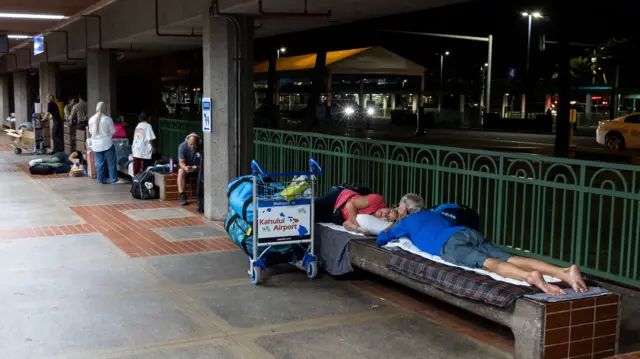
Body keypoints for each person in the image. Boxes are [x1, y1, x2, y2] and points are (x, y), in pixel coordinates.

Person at [377, 193, 588, 296]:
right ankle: (563, 272)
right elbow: (452, 206)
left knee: (490, 264)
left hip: (449, 244)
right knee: (511, 257)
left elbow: (380, 240)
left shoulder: (405, 222)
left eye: (400, 205)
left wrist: (392, 225)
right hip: (466, 232)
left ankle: (529, 277)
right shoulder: (434, 212)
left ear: (404, 208)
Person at [313, 187, 396, 231]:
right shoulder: (377, 200)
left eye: (387, 218)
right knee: (310, 207)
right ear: (390, 207)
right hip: (340, 198)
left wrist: (358, 229)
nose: (385, 214)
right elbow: (350, 204)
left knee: (311, 218)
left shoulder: (373, 223)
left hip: (337, 215)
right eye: (389, 212)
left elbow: (346, 224)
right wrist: (357, 224)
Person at [88, 102, 125, 184]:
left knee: (99, 162)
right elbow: (113, 131)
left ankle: (100, 179)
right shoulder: (107, 119)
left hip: (96, 145)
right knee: (111, 162)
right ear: (105, 109)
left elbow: (90, 131)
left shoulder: (91, 119)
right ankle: (113, 180)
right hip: (107, 144)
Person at [177, 132, 202, 205]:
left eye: (194, 145)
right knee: (181, 171)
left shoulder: (202, 146)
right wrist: (186, 168)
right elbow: (181, 162)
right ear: (187, 141)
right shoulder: (182, 146)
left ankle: (202, 196)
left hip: (199, 167)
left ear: (198, 142)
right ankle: (182, 195)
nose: (192, 147)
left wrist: (198, 167)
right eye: (190, 144)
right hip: (187, 167)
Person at [131, 111, 156, 176]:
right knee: (143, 172)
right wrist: (153, 147)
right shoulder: (148, 126)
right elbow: (150, 139)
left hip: (136, 151)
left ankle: (136, 183)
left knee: (136, 172)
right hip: (143, 152)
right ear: (149, 118)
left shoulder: (138, 125)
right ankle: (141, 184)